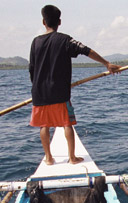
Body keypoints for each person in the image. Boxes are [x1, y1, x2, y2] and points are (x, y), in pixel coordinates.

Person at [29, 5, 120, 165]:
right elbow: (86, 50)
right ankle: (72, 158)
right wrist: (106, 63)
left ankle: (49, 158)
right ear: (60, 22)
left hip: (39, 93)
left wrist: (37, 87)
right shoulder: (64, 39)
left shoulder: (35, 42)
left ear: (44, 22)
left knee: (44, 126)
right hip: (59, 92)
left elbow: (32, 68)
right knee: (66, 123)